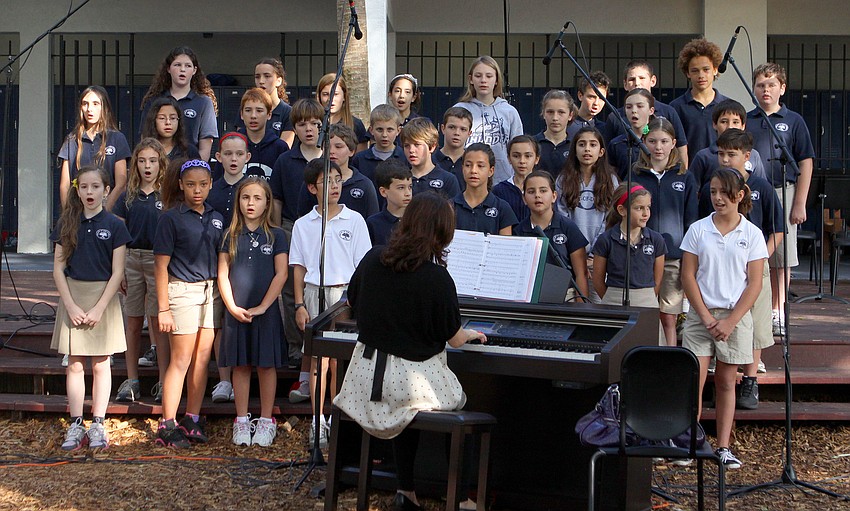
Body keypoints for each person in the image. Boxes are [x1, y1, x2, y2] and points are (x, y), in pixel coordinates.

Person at [334, 192, 488, 511]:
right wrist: (473, 333)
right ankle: (460, 498)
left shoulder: (373, 258)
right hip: (408, 382)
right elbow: (455, 339)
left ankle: (407, 491)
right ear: (443, 232)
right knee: (458, 403)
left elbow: (352, 300)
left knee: (408, 409)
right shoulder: (437, 278)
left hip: (365, 377)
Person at [680, 168, 768, 470]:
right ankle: (688, 442)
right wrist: (705, 316)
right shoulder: (698, 229)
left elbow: (754, 283)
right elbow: (687, 275)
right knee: (694, 380)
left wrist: (730, 321)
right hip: (700, 315)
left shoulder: (752, 234)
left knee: (727, 382)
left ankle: (724, 446)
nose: (718, 198)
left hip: (735, 316)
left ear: (739, 195)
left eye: (724, 192)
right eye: (713, 192)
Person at [697, 129, 784, 409]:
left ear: (747, 157)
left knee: (755, 325)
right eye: (721, 153)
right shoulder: (710, 189)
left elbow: (777, 230)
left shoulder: (763, 186)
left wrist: (758, 259)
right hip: (721, 267)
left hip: (754, 265)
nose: (725, 159)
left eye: (731, 154)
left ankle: (750, 380)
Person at [290, 159, 371, 447]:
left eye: (338, 180)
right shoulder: (303, 224)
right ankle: (317, 420)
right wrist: (299, 304)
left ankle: (338, 418)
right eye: (327, 181)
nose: (335, 186)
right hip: (315, 292)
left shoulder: (355, 220)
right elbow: (298, 266)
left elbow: (363, 264)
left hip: (345, 295)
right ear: (313, 187)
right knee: (316, 360)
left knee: (339, 360)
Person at [52, 165, 131, 450]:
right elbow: (58, 270)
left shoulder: (115, 225)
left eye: (95, 187)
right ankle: (75, 423)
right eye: (84, 187)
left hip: (103, 299)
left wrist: (99, 308)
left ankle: (98, 422)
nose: (89, 192)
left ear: (106, 190)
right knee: (74, 363)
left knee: (100, 363)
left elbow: (118, 272)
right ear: (77, 190)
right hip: (74, 295)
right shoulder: (67, 223)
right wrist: (70, 305)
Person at [153, 159, 224, 448]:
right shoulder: (171, 218)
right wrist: (163, 307)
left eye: (203, 185)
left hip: (211, 293)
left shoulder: (216, 217)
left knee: (202, 360)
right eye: (191, 184)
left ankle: (192, 416)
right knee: (180, 359)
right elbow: (159, 267)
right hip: (181, 291)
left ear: (210, 185)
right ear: (181, 185)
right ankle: (167, 422)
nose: (198, 190)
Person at [745, 62, 815, 336]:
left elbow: (805, 162)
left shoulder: (794, 120)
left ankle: (778, 309)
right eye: (761, 85)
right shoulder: (748, 119)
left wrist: (799, 202)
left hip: (783, 190)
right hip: (751, 190)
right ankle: (753, 306)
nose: (766, 89)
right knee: (752, 249)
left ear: (782, 88)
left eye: (772, 84)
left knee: (782, 256)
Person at [218, 177, 288, 447]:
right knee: (241, 364)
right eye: (246, 197)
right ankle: (242, 420)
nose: (251, 203)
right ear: (238, 201)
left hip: (265, 312)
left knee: (266, 365)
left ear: (267, 202)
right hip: (236, 313)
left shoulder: (277, 235)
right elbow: (222, 274)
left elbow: (281, 274)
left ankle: (267, 420)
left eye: (257, 198)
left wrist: (264, 306)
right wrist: (232, 307)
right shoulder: (229, 235)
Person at [629, 117, 698, 346]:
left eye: (664, 141)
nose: (658, 147)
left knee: (668, 315)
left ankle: (668, 357)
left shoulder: (684, 176)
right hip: (640, 255)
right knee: (644, 313)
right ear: (644, 142)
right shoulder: (635, 175)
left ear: (673, 143)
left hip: (673, 257)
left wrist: (689, 255)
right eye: (652, 141)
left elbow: (691, 220)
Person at [271, 98, 324, 373]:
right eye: (302, 124)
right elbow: (276, 200)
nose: (309, 129)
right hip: (292, 227)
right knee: (293, 290)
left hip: (325, 227)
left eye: (315, 124)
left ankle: (325, 343)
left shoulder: (331, 157)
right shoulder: (285, 160)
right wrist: (278, 232)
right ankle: (296, 347)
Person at [113, 139, 167, 404]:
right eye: (142, 161)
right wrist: (120, 268)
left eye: (153, 161)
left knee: (159, 321)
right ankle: (132, 379)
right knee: (133, 321)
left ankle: (163, 381)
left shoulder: (167, 195)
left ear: (161, 163)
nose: (148, 166)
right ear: (136, 164)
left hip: (158, 261)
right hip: (132, 259)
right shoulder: (127, 195)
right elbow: (119, 237)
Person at [206, 132, 252, 404]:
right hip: (216, 262)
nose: (233, 159)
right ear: (218, 157)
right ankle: (224, 380)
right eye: (228, 154)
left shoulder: (253, 188)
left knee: (243, 319)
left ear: (247, 157)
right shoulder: (213, 189)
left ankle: (242, 376)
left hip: (247, 264)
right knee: (220, 321)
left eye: (239, 154)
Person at [592, 184, 667, 343]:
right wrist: (611, 297)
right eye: (639, 208)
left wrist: (647, 296)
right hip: (614, 299)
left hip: (646, 299)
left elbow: (658, 278)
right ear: (622, 210)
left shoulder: (656, 240)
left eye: (648, 207)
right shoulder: (606, 240)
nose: (646, 213)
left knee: (648, 346)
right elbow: (597, 280)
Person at [557, 126, 619, 303]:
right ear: (574, 150)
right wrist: (578, 253)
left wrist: (594, 254)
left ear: (601, 152)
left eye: (592, 145)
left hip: (598, 257)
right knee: (575, 304)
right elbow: (563, 218)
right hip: (572, 255)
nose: (587, 149)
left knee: (598, 304)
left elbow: (609, 219)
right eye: (582, 144)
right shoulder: (563, 179)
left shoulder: (610, 180)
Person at [513, 170, 589, 300]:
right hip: (529, 298)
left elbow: (581, 273)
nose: (537, 196)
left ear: (554, 196)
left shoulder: (568, 227)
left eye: (543, 191)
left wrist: (580, 309)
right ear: (524, 198)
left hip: (565, 297)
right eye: (531, 192)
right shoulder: (518, 231)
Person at [58, 85, 130, 211]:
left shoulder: (117, 138)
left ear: (104, 107)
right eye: (85, 104)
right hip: (78, 209)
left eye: (95, 103)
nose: (89, 109)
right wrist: (68, 215)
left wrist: (104, 212)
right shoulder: (71, 140)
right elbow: (64, 185)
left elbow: (121, 183)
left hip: (109, 209)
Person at [603, 59, 688, 166]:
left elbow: (681, 146)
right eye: (632, 79)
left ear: (653, 81)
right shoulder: (615, 117)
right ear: (625, 84)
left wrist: (682, 175)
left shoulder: (668, 112)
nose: (637, 83)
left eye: (642, 78)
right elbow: (608, 156)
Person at [454, 56, 524, 185]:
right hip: (468, 180)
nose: (483, 80)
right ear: (471, 79)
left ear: (497, 80)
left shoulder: (509, 112)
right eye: (478, 76)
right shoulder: (460, 109)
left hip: (502, 180)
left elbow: (518, 147)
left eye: (489, 76)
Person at [141, 46, 218, 161]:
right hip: (158, 166)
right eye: (177, 65)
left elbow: (206, 145)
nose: (182, 69)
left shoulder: (203, 102)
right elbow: (145, 137)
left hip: (189, 165)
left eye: (188, 66)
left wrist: (195, 170)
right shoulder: (154, 101)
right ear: (168, 68)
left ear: (194, 70)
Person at [297, 123, 379, 219]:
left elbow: (372, 219)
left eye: (338, 147)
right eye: (327, 147)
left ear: (351, 151)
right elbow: (303, 217)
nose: (331, 151)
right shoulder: (315, 181)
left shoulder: (364, 184)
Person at [688, 99, 767, 187]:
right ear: (714, 124)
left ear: (743, 126)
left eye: (735, 122)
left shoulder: (754, 155)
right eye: (724, 122)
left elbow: (761, 185)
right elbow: (693, 190)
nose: (730, 126)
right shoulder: (703, 156)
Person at [670, 38, 728, 157]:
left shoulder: (727, 106)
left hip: (723, 172)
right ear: (688, 73)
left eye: (706, 69)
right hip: (689, 173)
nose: (701, 75)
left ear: (715, 70)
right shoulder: (676, 107)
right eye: (695, 71)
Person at [453, 143, 517, 235]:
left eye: (480, 166)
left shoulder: (502, 208)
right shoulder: (450, 207)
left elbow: (505, 246)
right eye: (468, 165)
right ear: (462, 168)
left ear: (491, 171)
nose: (473, 171)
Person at [238, 88, 290, 180]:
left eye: (259, 110)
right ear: (241, 114)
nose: (253, 116)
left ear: (269, 115)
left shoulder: (280, 147)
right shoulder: (231, 145)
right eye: (248, 110)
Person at [402, 117, 460, 199]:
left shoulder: (447, 179)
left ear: (432, 147)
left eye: (417, 145)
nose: (411, 150)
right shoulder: (400, 179)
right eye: (407, 146)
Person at [352, 104, 407, 184]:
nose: (384, 135)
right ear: (371, 130)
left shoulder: (405, 157)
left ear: (398, 131)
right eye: (379, 130)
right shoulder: (359, 160)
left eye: (390, 130)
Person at [607, 88, 655, 179]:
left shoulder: (659, 142)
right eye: (629, 107)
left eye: (640, 106)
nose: (634, 110)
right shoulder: (616, 144)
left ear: (651, 110)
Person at [316, 72, 369, 152]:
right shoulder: (313, 124)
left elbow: (360, 159)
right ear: (319, 97)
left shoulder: (356, 125)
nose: (330, 99)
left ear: (344, 96)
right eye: (325, 94)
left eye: (335, 94)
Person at [492, 135, 540, 221]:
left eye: (528, 156)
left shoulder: (544, 189)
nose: (522, 161)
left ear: (536, 159)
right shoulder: (498, 190)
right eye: (516, 156)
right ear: (509, 158)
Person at [367, 160, 413, 246]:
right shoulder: (373, 224)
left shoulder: (418, 220)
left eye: (410, 187)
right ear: (383, 192)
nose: (408, 193)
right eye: (401, 188)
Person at [140, 96, 200, 162]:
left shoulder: (189, 151)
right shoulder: (144, 150)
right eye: (162, 118)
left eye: (173, 118)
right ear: (154, 120)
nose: (168, 122)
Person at [252, 57, 295, 147]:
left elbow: (284, 147)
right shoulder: (247, 108)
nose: (261, 81)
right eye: (257, 77)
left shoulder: (288, 112)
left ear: (279, 80)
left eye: (267, 76)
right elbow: (240, 143)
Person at [534, 90, 576, 175]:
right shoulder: (532, 144)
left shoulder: (576, 145)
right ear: (543, 113)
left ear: (570, 115)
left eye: (561, 112)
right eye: (550, 112)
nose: (555, 118)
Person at [433, 106, 473, 189]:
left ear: (469, 133)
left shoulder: (472, 163)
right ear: (443, 128)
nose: (457, 133)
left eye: (463, 129)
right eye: (452, 127)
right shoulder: (430, 160)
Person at [566, 71, 609, 141]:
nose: (596, 103)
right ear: (580, 95)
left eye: (601, 98)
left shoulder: (605, 129)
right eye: (591, 97)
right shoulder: (566, 125)